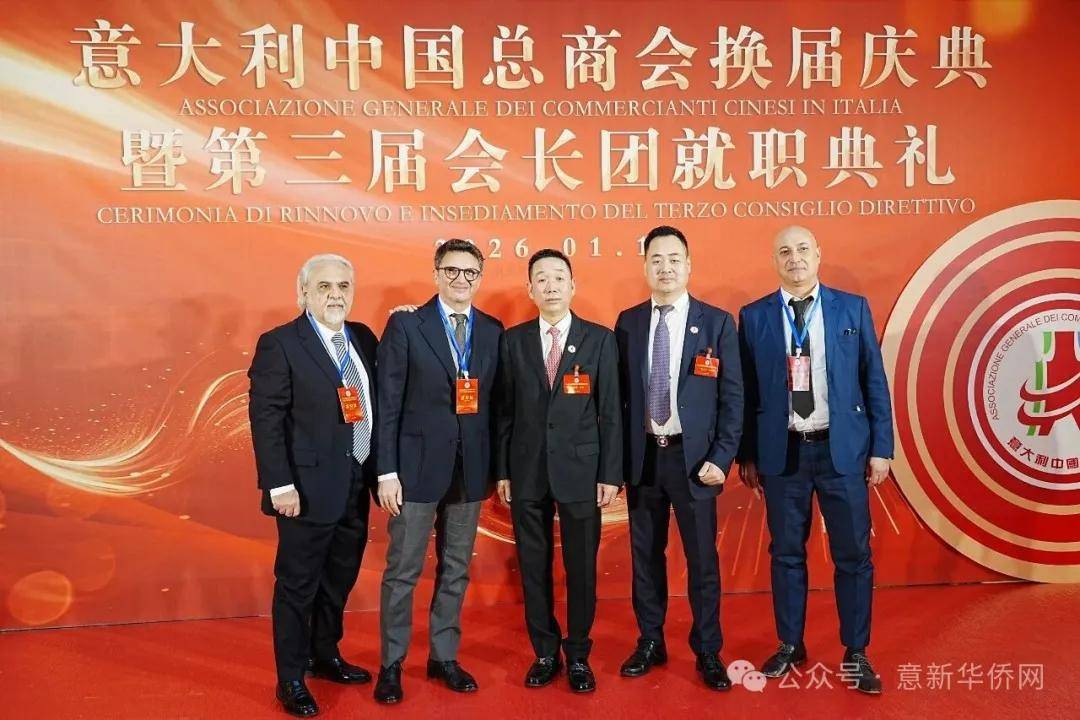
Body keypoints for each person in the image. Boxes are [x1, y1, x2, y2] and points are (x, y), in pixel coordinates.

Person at [737, 225, 893, 695]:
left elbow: (873, 379)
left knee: (853, 555)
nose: (795, 258)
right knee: (786, 553)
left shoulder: (852, 308)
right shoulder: (755, 316)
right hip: (783, 453)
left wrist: (881, 447)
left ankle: (856, 651)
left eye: (803, 249)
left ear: (818, 254)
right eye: (785, 251)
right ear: (774, 260)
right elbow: (746, 392)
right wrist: (747, 453)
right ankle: (790, 644)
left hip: (841, 450)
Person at [373, 239, 503, 704]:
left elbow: (498, 407)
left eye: (470, 272)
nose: (461, 279)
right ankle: (391, 664)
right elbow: (387, 404)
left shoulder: (493, 330)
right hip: (414, 471)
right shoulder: (407, 325)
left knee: (455, 569)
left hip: (470, 471)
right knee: (403, 570)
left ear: (479, 277)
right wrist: (386, 471)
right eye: (452, 270)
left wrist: (498, 470)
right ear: (436, 274)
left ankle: (443, 656)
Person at [614, 226, 743, 691]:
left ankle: (708, 648)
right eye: (656, 260)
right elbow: (617, 400)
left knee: (702, 559)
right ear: (645, 266)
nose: (665, 268)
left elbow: (733, 398)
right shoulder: (628, 322)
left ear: (688, 265)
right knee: (645, 556)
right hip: (645, 457)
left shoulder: (716, 322)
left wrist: (722, 457)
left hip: (696, 461)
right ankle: (650, 640)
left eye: (673, 259)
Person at [248, 253, 378, 718]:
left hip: (355, 482)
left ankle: (324, 655)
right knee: (297, 586)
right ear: (303, 292)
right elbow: (266, 420)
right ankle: (290, 679)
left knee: (339, 579)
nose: (335, 295)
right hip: (303, 490)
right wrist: (279, 484)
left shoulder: (363, 337)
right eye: (324, 287)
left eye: (343, 286)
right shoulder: (280, 344)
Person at [495, 249, 622, 693]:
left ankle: (579, 654)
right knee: (534, 566)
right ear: (530, 289)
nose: (550, 286)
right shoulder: (512, 341)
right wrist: (502, 470)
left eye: (558, 278)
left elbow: (611, 413)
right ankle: (546, 652)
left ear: (573, 285)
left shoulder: (600, 340)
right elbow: (504, 412)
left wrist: (610, 473)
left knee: (581, 566)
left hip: (582, 472)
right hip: (526, 471)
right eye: (542, 279)